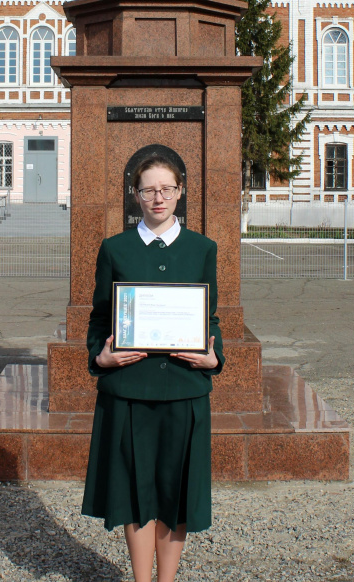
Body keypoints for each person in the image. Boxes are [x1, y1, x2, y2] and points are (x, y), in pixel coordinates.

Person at [81, 154, 225, 582]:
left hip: (184, 388)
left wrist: (215, 358)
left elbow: (211, 318)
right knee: (135, 493)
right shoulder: (115, 248)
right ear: (135, 194)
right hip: (129, 390)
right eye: (148, 190)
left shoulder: (202, 248)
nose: (157, 198)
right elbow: (98, 318)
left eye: (166, 189)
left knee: (175, 493)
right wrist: (99, 357)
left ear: (181, 192)